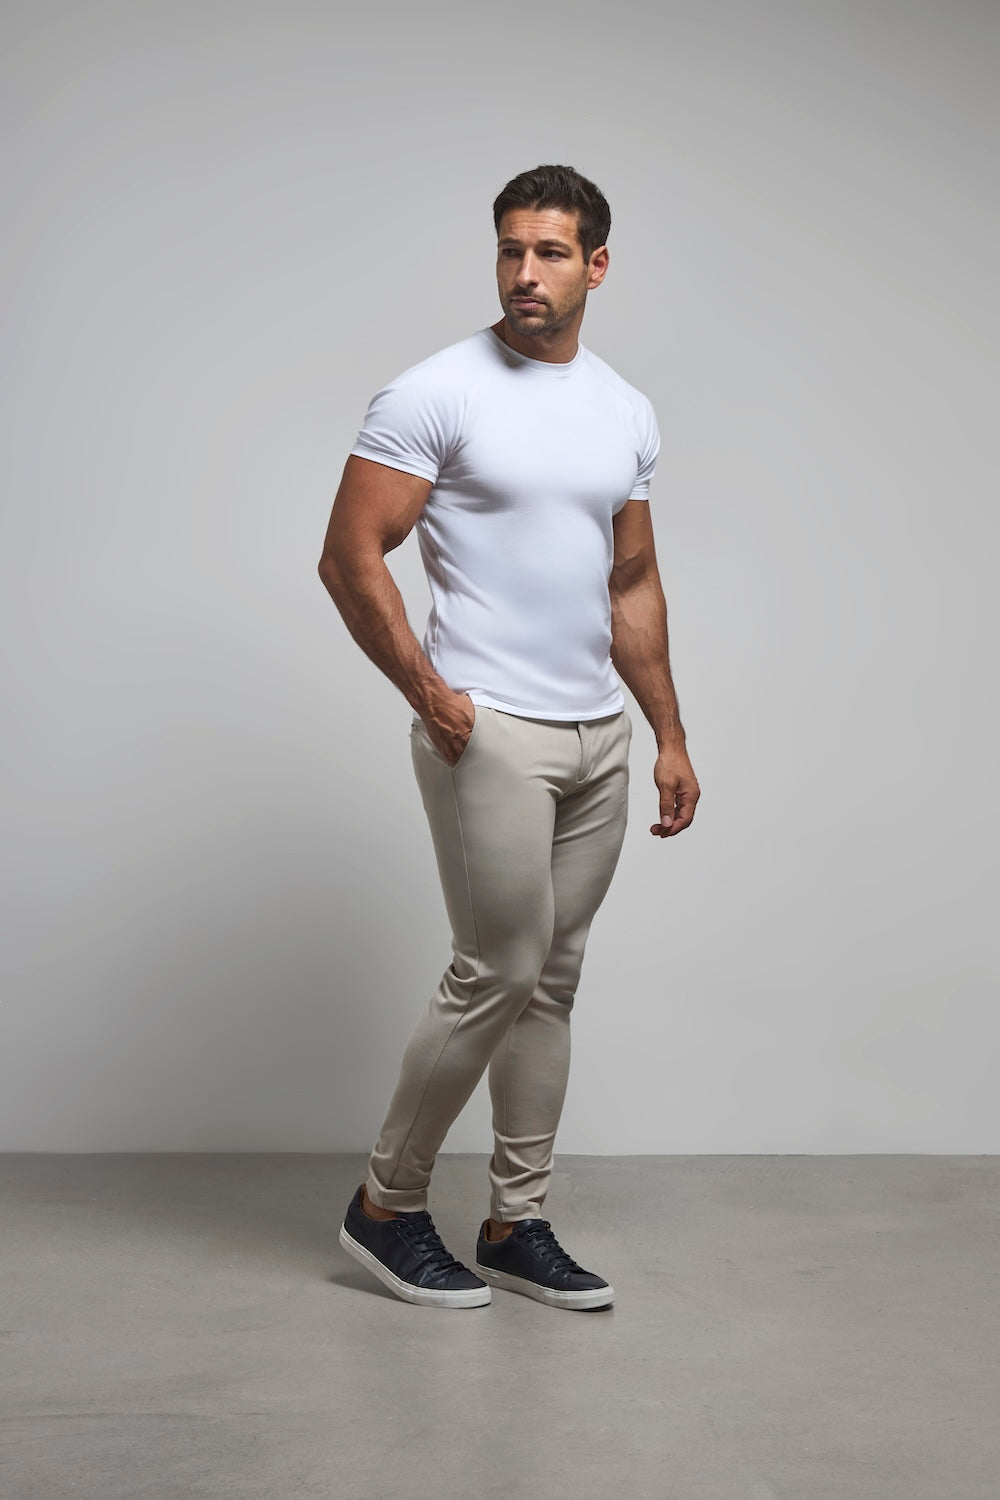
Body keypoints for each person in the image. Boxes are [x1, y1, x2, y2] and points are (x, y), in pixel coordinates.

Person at [318, 164, 699, 1311]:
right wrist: (431, 694)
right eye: (509, 250)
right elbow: (349, 556)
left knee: (551, 983)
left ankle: (514, 1223)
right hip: (491, 731)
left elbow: (630, 580)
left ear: (596, 265)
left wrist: (667, 733)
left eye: (548, 252)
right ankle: (386, 1208)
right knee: (497, 970)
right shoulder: (436, 393)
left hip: (597, 737)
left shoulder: (623, 408)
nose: (524, 273)